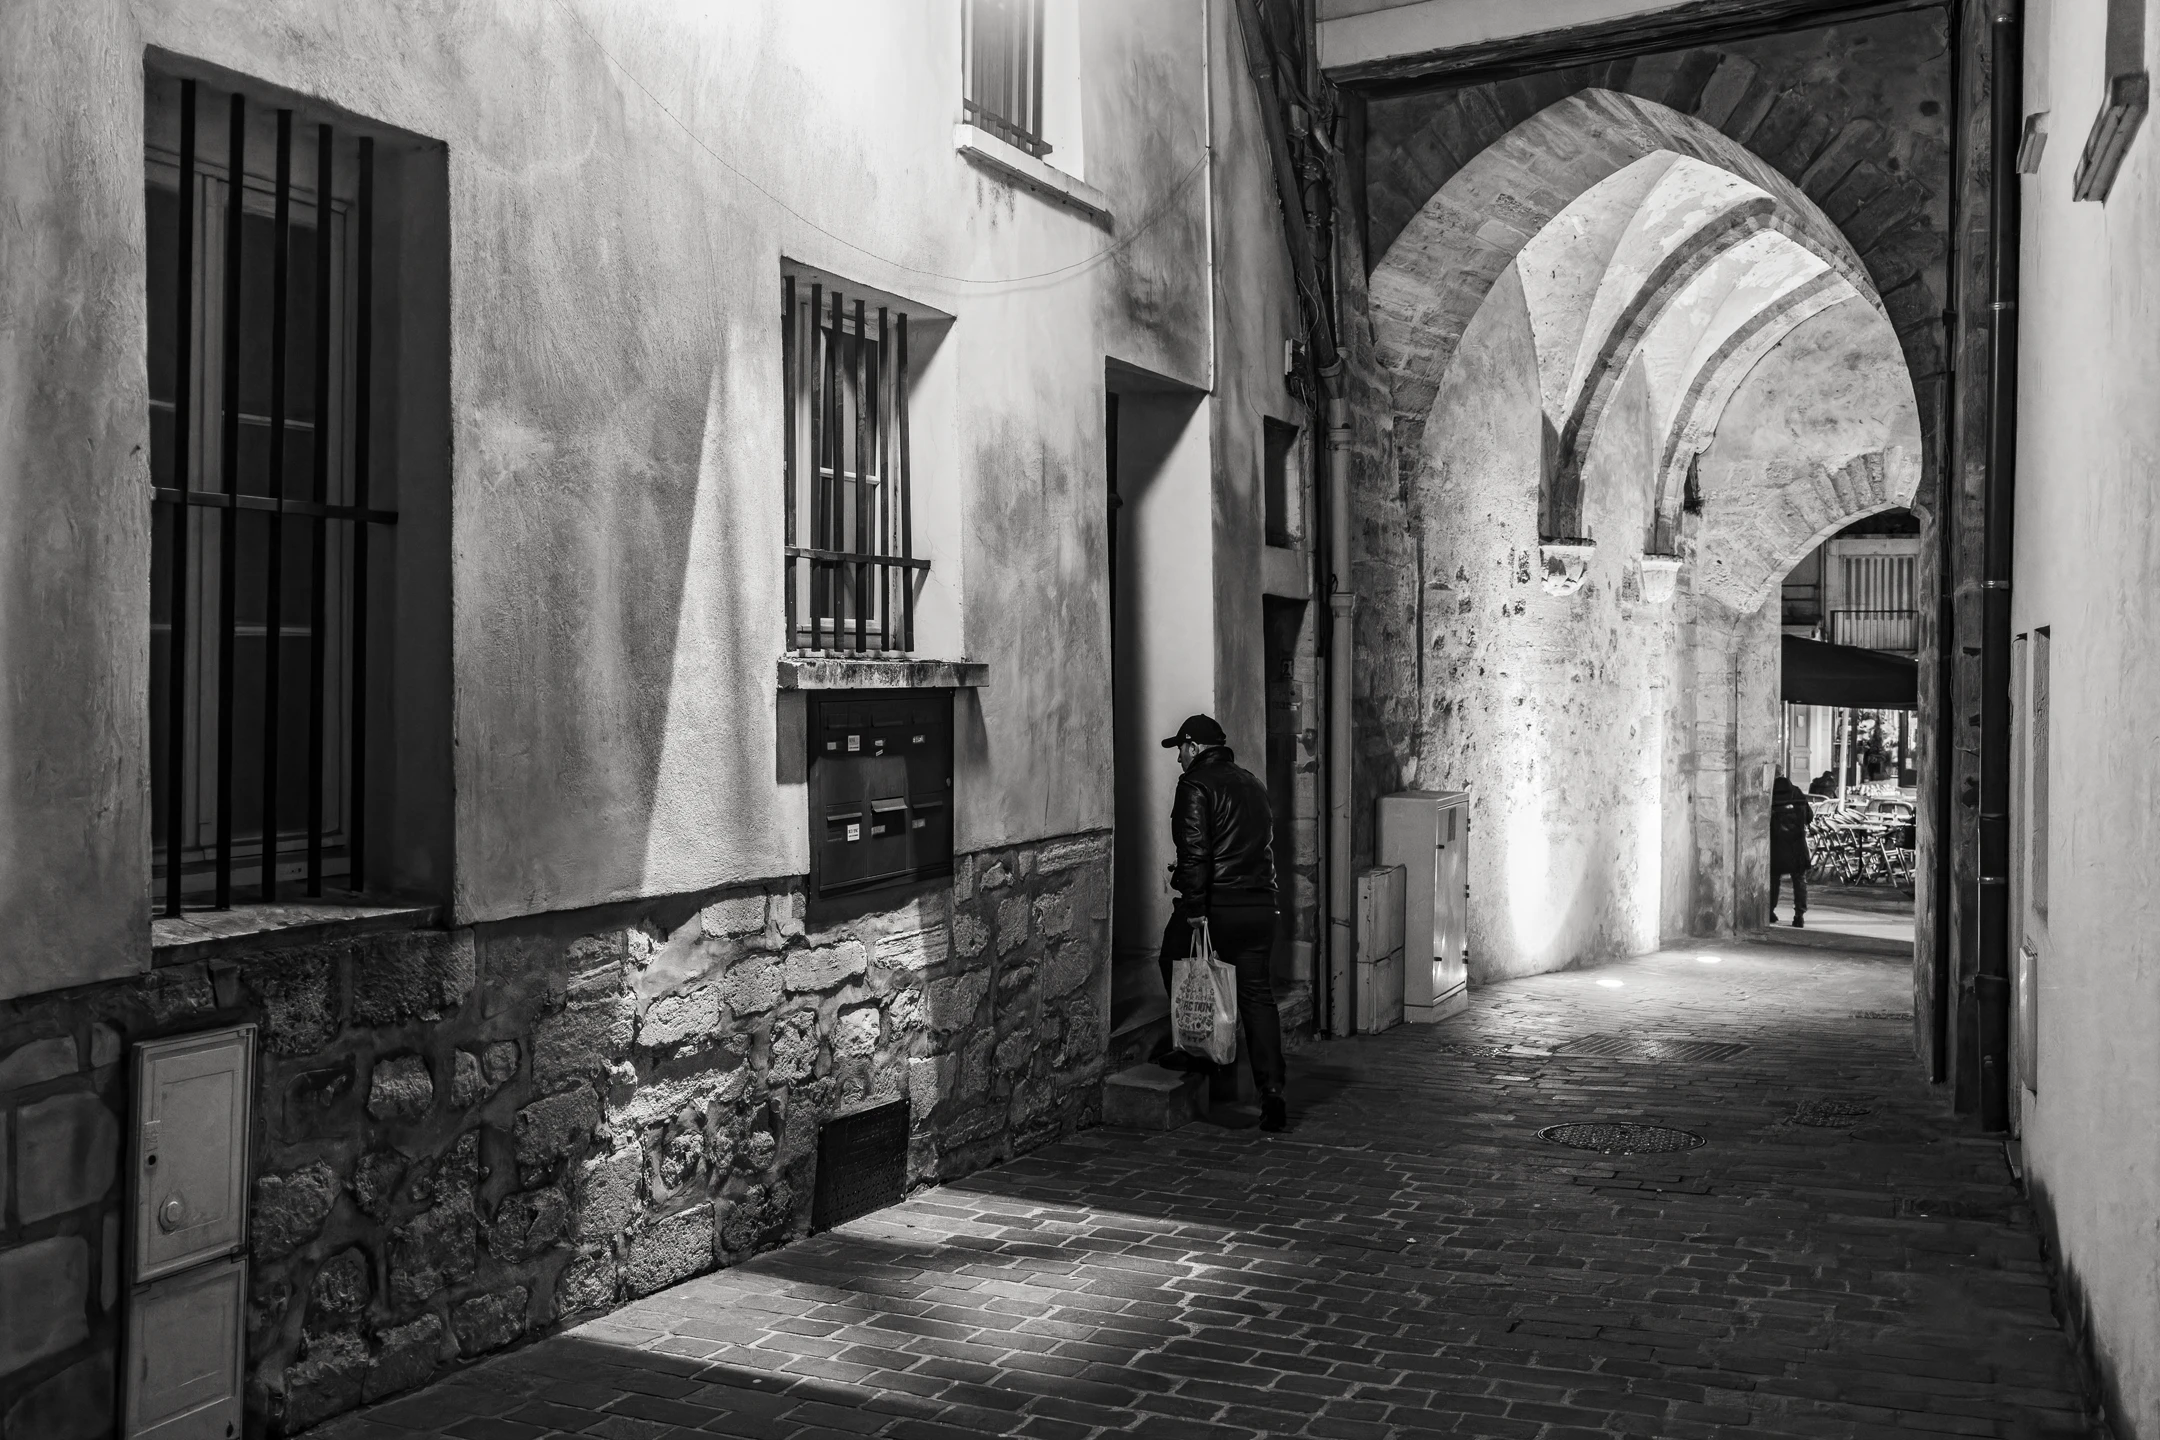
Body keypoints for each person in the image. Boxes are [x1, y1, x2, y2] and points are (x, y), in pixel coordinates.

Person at [1153, 713, 1288, 1132]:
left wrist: (1194, 908)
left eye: (1180, 749)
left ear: (1194, 747)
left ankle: (1200, 1051)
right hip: (1261, 906)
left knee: (1174, 961)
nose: (1178, 758)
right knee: (1256, 996)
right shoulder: (1252, 783)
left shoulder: (1194, 785)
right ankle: (1273, 1094)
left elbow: (1196, 851)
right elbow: (1254, 843)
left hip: (1219, 907)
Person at [1770, 774, 1814, 927]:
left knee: (1773, 879)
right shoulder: (1797, 794)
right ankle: (1799, 914)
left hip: (1776, 845)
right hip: (1797, 845)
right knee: (1799, 880)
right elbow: (1809, 817)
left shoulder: (1770, 796)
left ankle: (1770, 910)